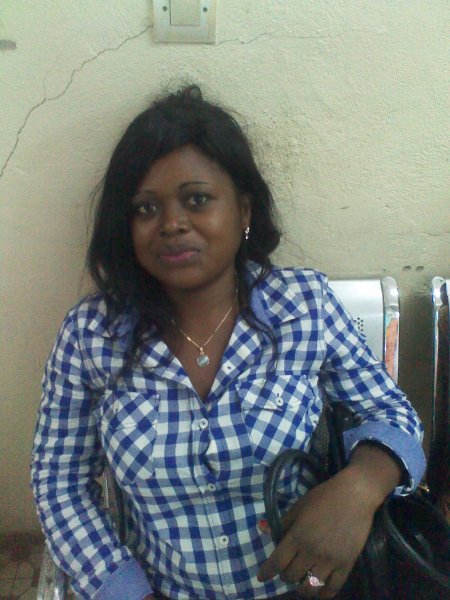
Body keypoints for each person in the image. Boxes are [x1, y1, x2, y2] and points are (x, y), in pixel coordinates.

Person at [31, 85, 426, 600]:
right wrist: (126, 591)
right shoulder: (91, 336)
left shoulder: (302, 306)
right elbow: (58, 482)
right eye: (145, 208)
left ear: (243, 211)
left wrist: (360, 488)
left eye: (197, 200)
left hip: (308, 586)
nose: (172, 223)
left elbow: (391, 412)